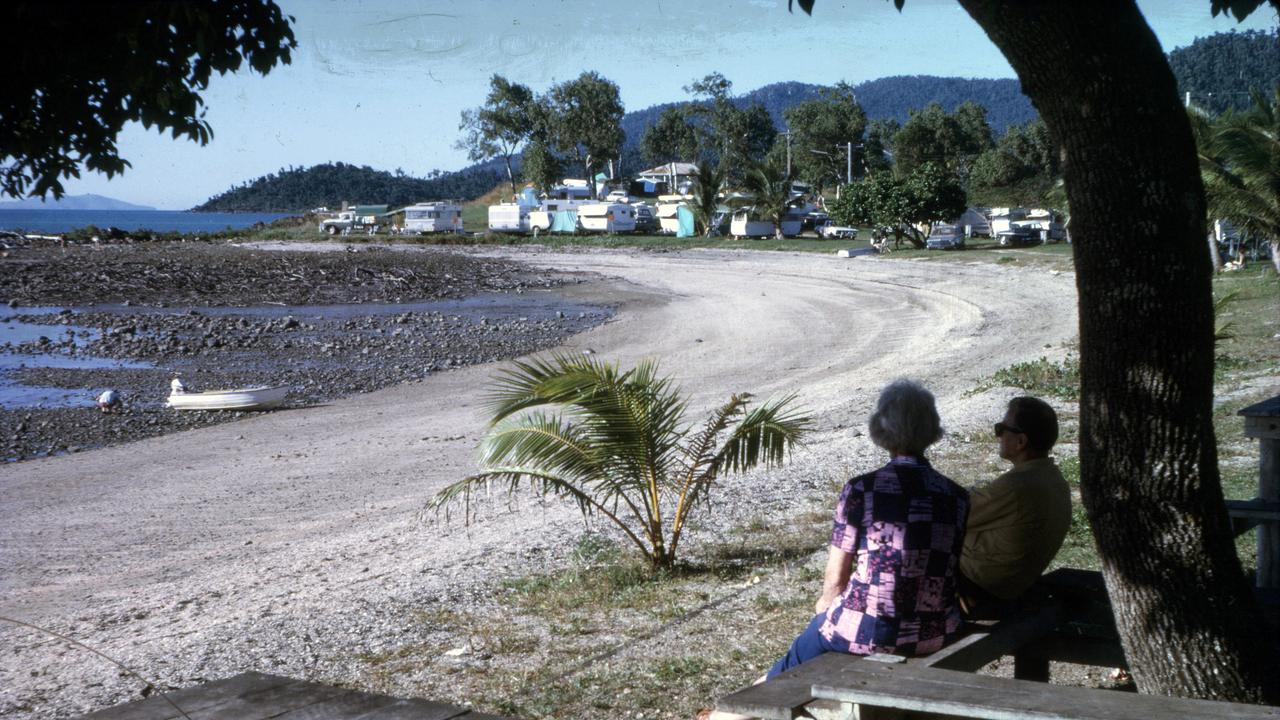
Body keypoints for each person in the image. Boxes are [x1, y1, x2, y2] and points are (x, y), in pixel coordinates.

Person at [958, 396, 1072, 618]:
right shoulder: (1053, 479)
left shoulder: (1016, 487)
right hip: (1011, 586)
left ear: (1021, 442)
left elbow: (951, 514)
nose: (998, 435)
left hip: (981, 593)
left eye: (1002, 429)